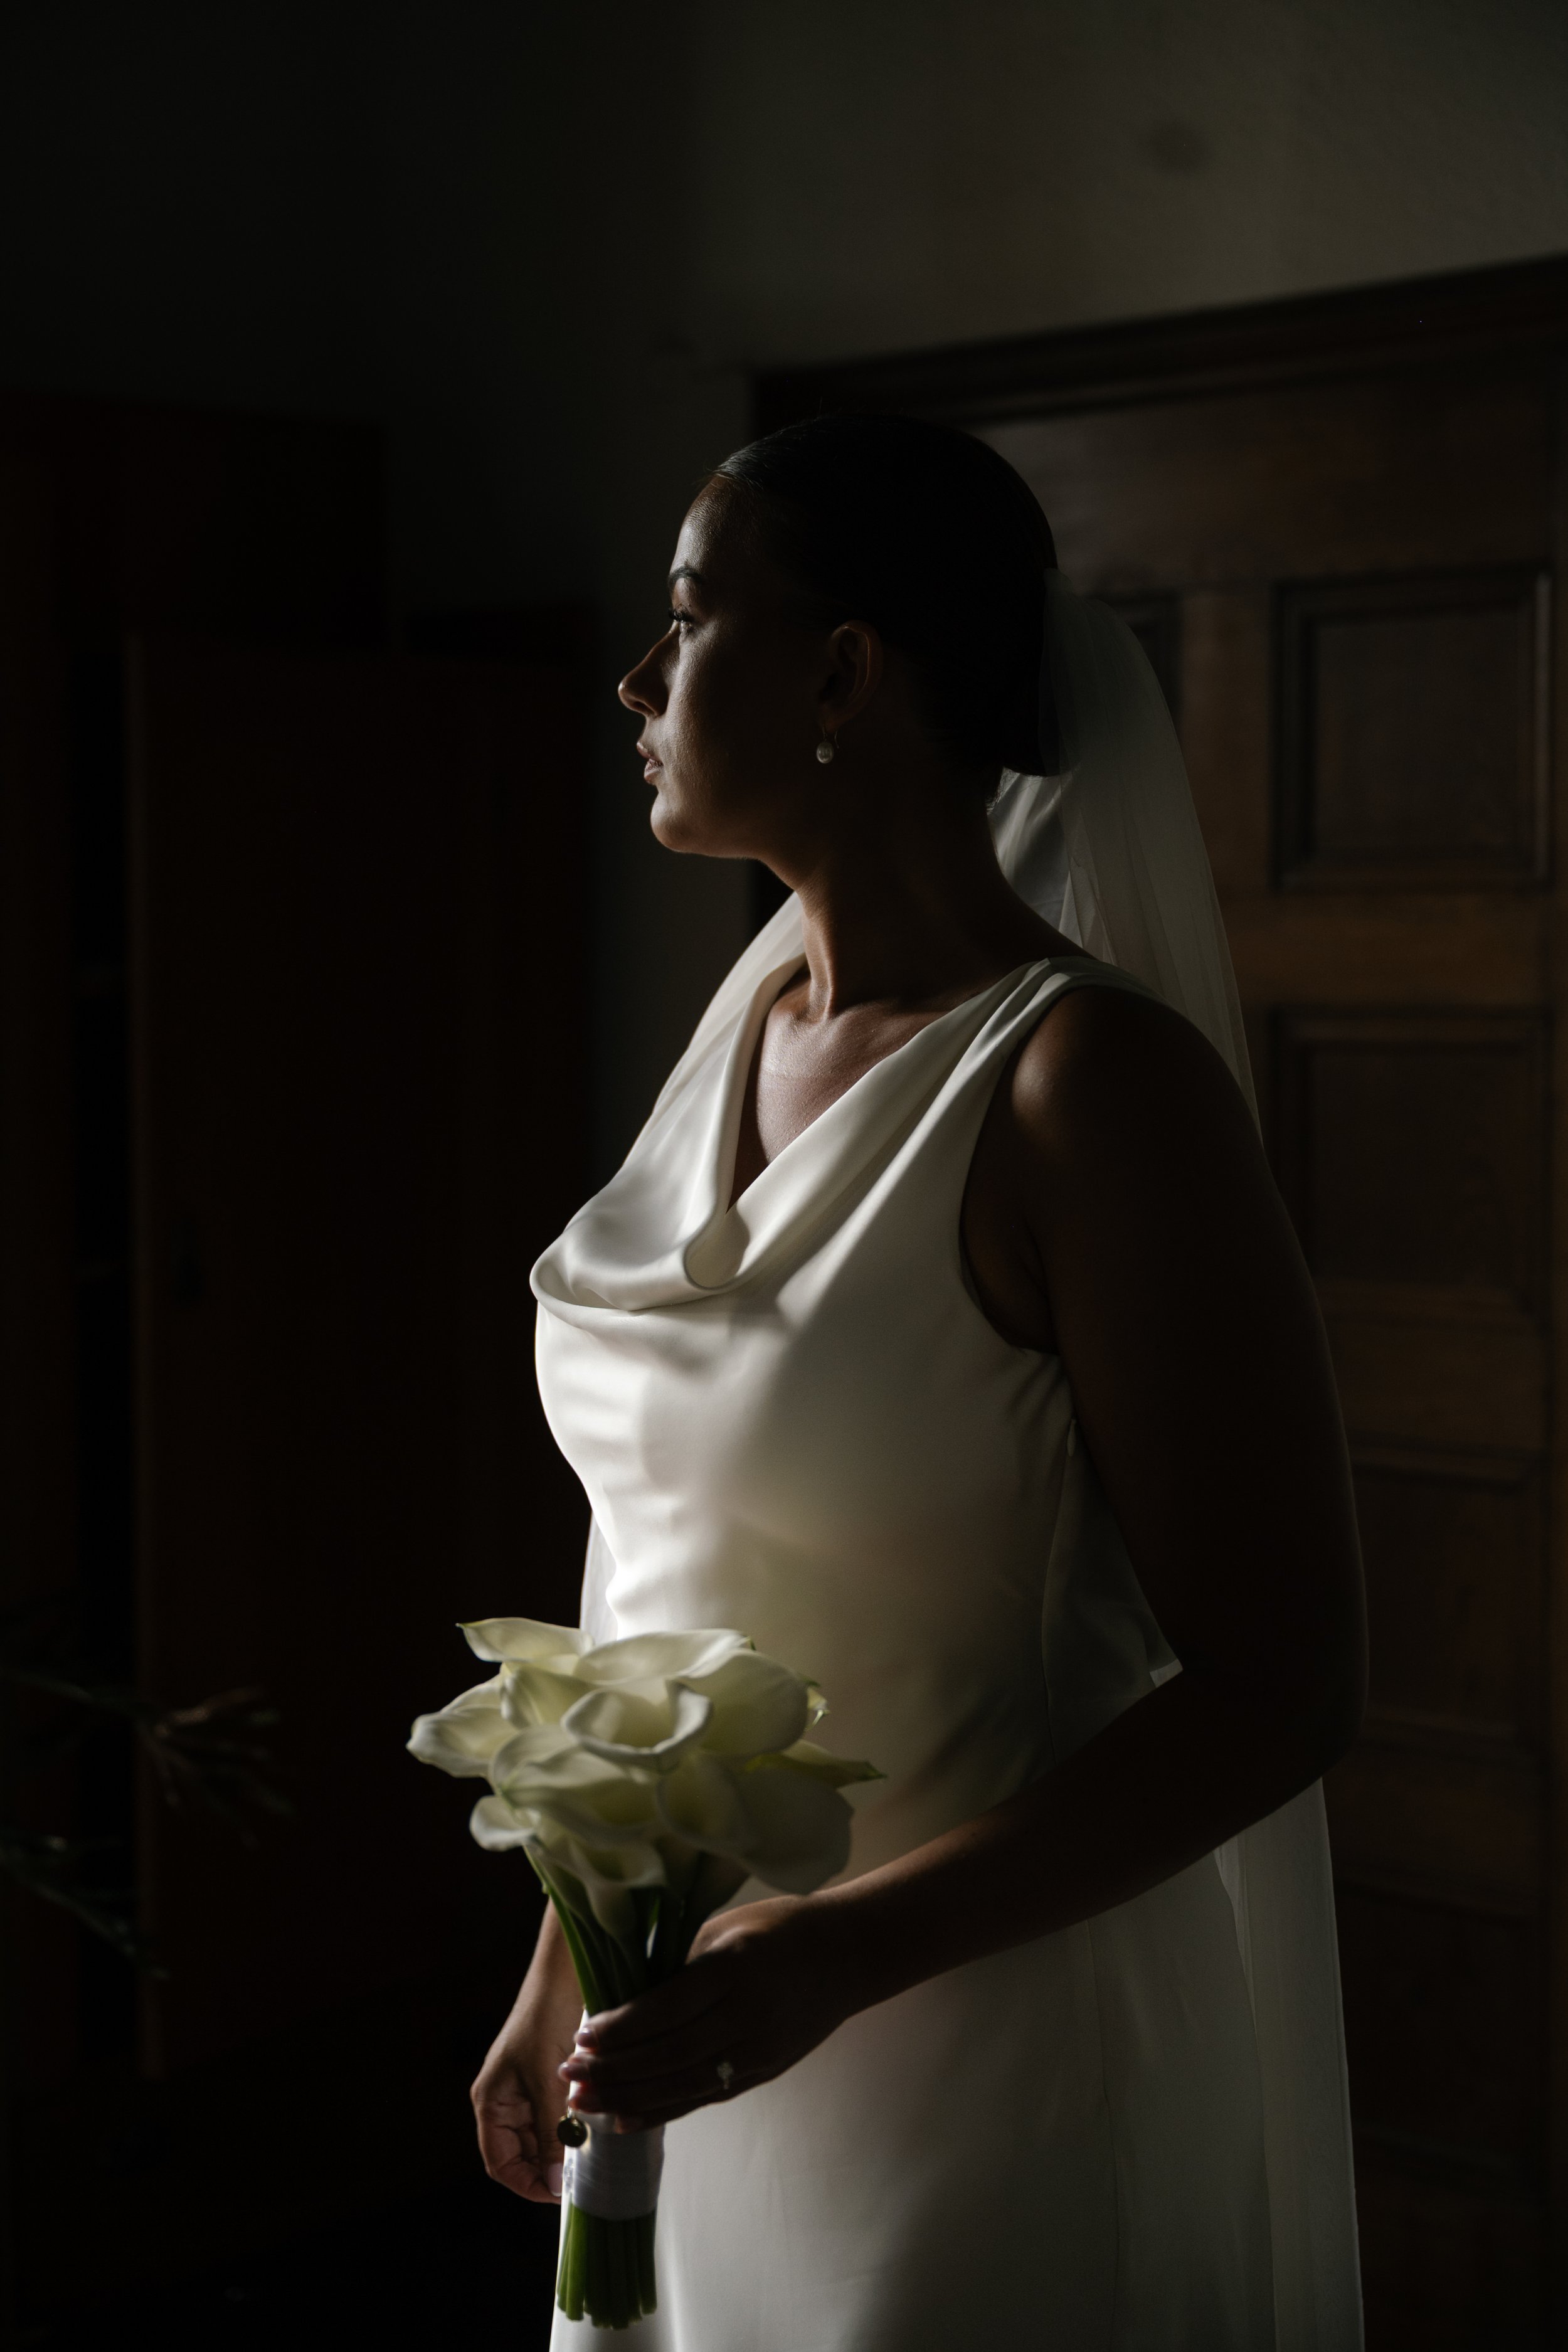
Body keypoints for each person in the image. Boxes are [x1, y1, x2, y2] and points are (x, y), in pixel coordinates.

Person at [472, 415, 1366, 2349]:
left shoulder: (1083, 1090)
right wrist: (574, 1950)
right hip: (688, 2033)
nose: (636, 679)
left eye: (689, 618)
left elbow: (1282, 1681)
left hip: (980, 2052)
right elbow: (668, 1567)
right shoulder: (744, 1022)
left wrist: (834, 1957)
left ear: (841, 674)